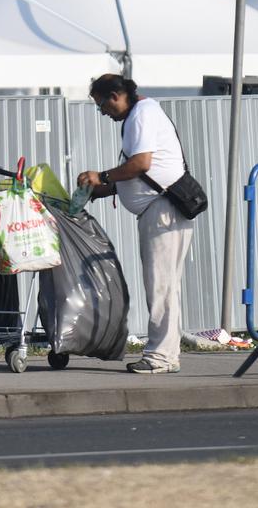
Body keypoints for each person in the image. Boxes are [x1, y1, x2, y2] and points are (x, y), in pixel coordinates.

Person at [76, 73, 193, 374]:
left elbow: (141, 164)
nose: (103, 112)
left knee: (161, 286)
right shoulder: (141, 113)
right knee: (165, 286)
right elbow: (140, 174)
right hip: (162, 209)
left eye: (102, 105)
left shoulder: (142, 114)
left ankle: (160, 358)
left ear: (116, 96)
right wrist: (103, 190)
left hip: (162, 210)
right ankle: (167, 354)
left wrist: (101, 176)